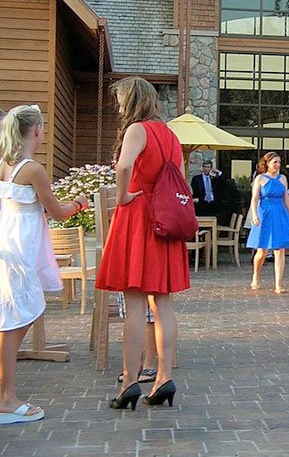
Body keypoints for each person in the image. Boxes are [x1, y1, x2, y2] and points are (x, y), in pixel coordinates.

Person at [95, 77, 189, 411]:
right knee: (163, 304)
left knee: (134, 304)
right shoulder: (171, 135)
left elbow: (124, 166)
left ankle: (129, 380)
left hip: (137, 217)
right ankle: (163, 376)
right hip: (164, 221)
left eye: (120, 100)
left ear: (132, 100)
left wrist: (122, 196)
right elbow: (176, 175)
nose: (118, 106)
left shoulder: (138, 129)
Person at [0, 105, 89, 424]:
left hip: (7, 244)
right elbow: (57, 211)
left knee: (12, 320)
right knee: (14, 322)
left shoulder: (4, 165)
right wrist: (79, 203)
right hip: (22, 251)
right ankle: (6, 398)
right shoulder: (32, 169)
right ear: (36, 131)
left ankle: (5, 393)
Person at [247, 152, 289, 293]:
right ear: (267, 163)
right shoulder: (260, 178)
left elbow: (286, 198)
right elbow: (255, 198)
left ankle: (278, 284)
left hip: (280, 214)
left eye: (279, 162)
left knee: (280, 250)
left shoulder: (283, 179)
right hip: (265, 213)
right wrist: (255, 215)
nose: (278, 165)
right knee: (262, 250)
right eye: (275, 162)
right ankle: (256, 276)